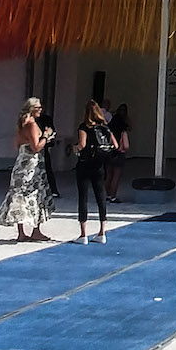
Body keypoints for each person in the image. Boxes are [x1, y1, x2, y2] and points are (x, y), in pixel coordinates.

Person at [0, 97, 54, 242]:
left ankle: (22, 232)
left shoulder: (22, 125)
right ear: (32, 108)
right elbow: (35, 148)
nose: (41, 109)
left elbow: (17, 145)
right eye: (38, 107)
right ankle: (36, 230)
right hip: (32, 166)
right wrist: (46, 137)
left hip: (21, 164)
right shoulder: (32, 125)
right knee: (35, 194)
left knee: (20, 196)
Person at [75, 100, 114, 243]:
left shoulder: (84, 127)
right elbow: (114, 144)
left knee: (83, 197)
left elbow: (82, 145)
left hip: (85, 164)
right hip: (99, 164)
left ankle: (83, 234)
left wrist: (75, 149)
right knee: (101, 196)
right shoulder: (104, 127)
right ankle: (102, 232)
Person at [105, 103, 131, 202]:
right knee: (116, 177)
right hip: (119, 153)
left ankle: (107, 195)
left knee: (108, 176)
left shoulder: (109, 130)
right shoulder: (122, 131)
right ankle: (113, 196)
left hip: (109, 153)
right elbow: (126, 146)